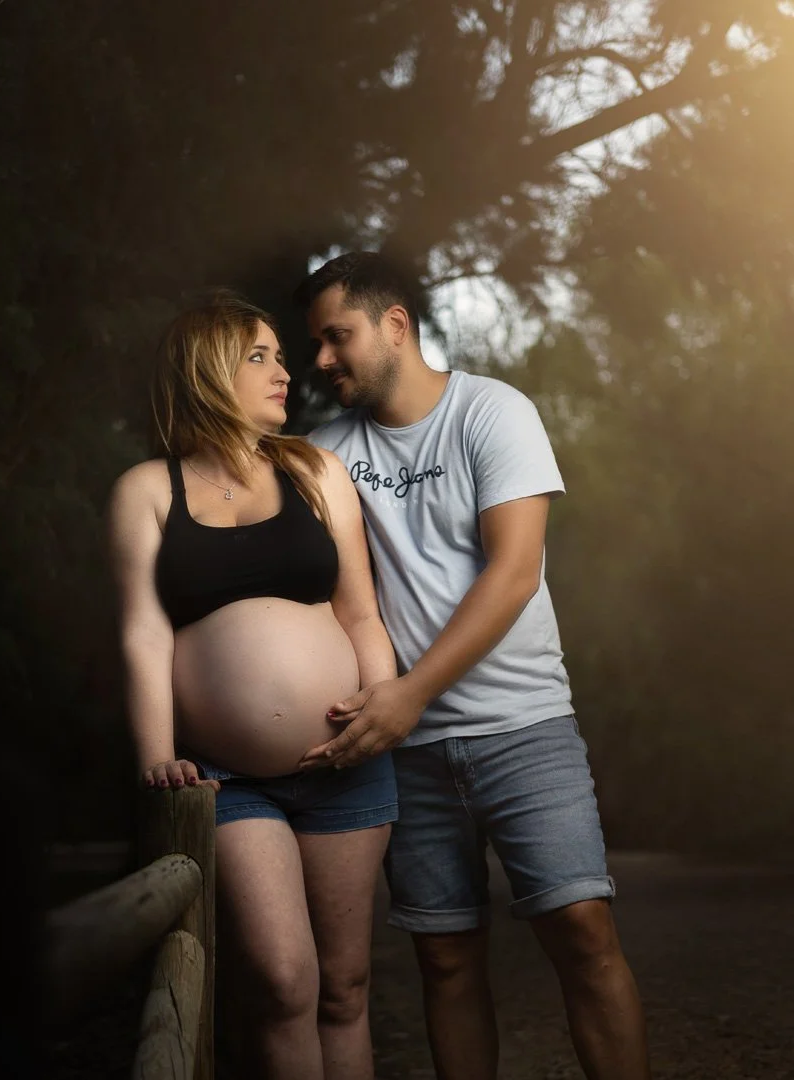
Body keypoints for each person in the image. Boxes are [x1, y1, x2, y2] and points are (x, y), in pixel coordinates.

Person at [295, 253, 651, 1080]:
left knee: (583, 932)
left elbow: (514, 571)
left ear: (395, 325)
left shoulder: (493, 411)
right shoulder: (322, 453)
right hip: (404, 752)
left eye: (336, 337)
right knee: (446, 958)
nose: (320, 359)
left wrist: (410, 694)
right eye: (313, 343)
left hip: (523, 725)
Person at [107, 290, 398, 1080]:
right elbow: (143, 633)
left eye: (279, 355)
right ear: (208, 371)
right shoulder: (147, 489)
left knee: (344, 986)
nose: (284, 372)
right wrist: (158, 757)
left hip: (347, 763)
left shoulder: (315, 470)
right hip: (225, 778)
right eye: (259, 356)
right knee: (281, 981)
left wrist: (379, 706)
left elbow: (360, 611)